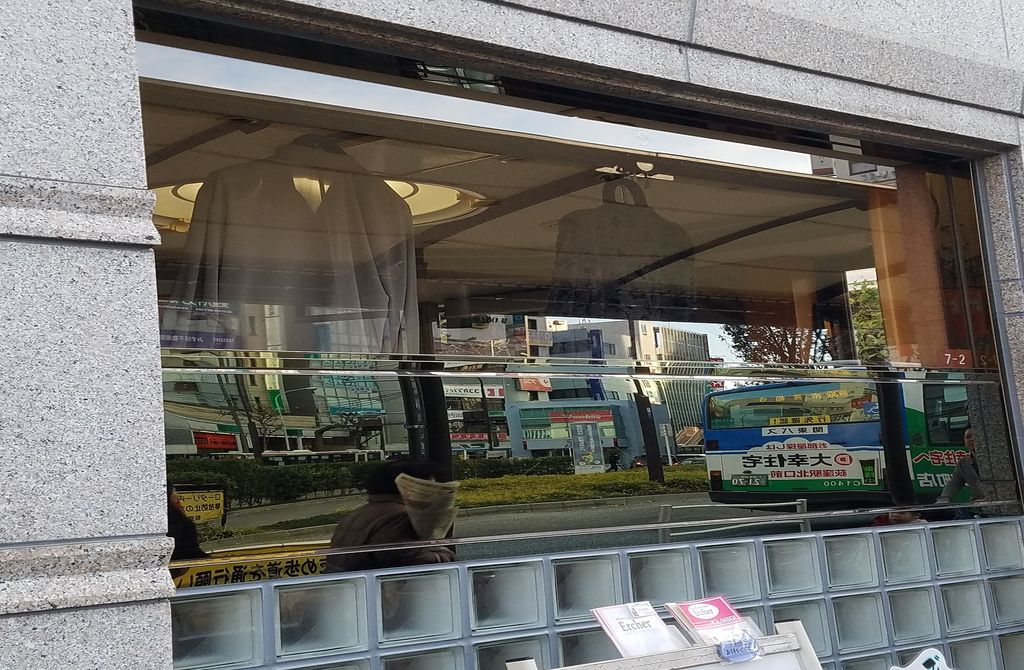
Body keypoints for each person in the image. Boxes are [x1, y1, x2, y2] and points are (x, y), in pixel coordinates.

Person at [325, 460, 456, 573]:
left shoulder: (360, 512)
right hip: (380, 589)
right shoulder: (398, 516)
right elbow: (405, 557)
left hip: (349, 586)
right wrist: (443, 555)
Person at [937, 427, 985, 504]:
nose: (972, 439)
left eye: (976, 436)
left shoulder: (998, 458)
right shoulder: (963, 462)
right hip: (979, 505)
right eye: (968, 437)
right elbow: (954, 483)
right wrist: (944, 499)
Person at [167, 484, 209, 562]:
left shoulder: (174, 511)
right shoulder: (174, 516)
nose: (177, 494)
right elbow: (187, 548)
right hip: (184, 561)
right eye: (174, 491)